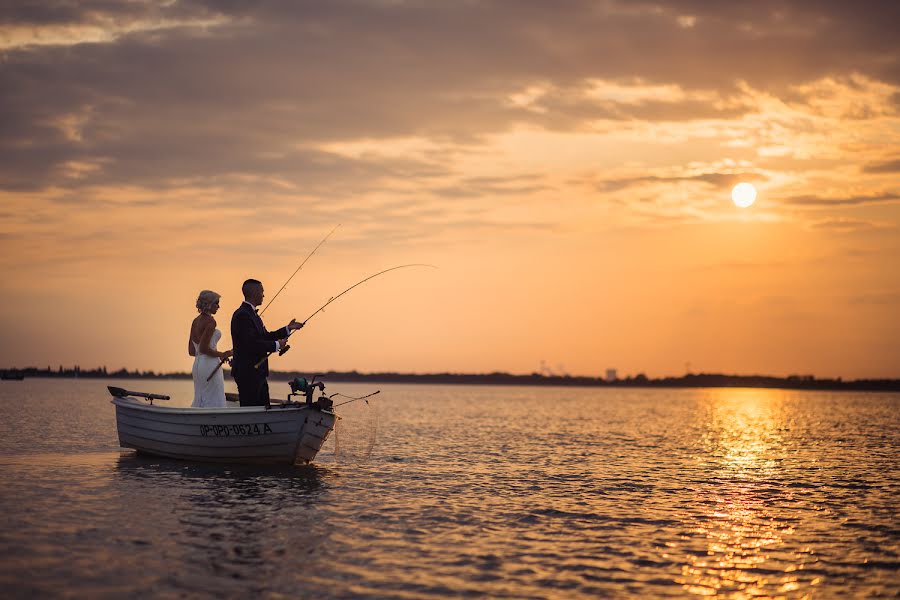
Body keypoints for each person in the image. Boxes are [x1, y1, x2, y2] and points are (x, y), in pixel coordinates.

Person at [231, 279, 303, 407]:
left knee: (262, 408)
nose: (264, 295)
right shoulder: (242, 315)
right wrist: (277, 345)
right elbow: (251, 344)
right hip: (248, 373)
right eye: (262, 291)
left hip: (258, 373)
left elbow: (265, 336)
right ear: (254, 292)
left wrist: (288, 329)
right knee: (251, 410)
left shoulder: (252, 314)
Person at [189, 290, 233, 408]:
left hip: (197, 365)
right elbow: (204, 348)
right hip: (209, 365)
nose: (219, 306)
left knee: (200, 395)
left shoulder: (195, 321)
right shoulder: (211, 321)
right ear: (208, 304)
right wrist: (223, 354)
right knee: (214, 396)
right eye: (216, 303)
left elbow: (192, 351)